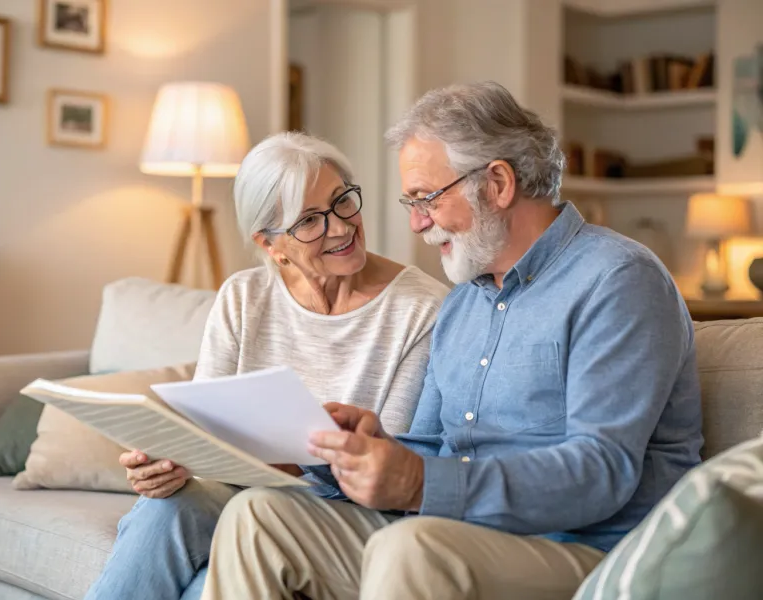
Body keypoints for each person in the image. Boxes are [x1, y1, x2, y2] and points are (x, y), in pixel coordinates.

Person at [200, 81, 703, 600]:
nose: (417, 223)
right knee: (258, 516)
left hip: (590, 552)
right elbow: (431, 451)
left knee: (412, 547)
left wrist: (420, 483)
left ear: (498, 184)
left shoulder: (617, 280)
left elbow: (602, 471)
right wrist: (359, 452)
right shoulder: (463, 302)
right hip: (455, 534)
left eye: (426, 199)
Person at [84, 132, 449, 600]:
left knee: (203, 584)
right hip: (241, 496)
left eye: (342, 203)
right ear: (270, 244)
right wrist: (172, 463)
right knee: (164, 506)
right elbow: (202, 427)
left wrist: (281, 458)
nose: (339, 228)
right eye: (310, 221)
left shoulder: (423, 308)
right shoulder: (243, 296)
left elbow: (389, 468)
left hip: (344, 517)